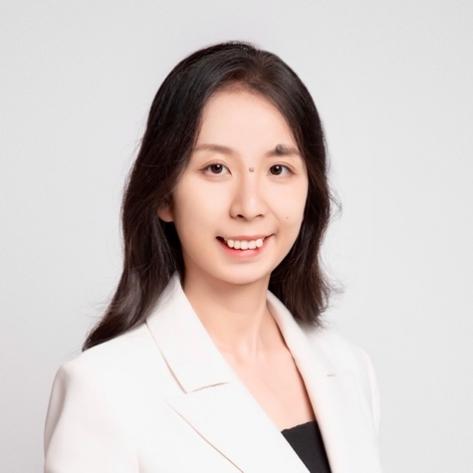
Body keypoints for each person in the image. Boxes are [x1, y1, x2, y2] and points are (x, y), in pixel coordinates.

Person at [43, 41, 383, 473]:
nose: (249, 206)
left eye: (278, 169)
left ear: (309, 190)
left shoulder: (349, 369)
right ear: (164, 194)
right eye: (215, 168)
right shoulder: (103, 390)